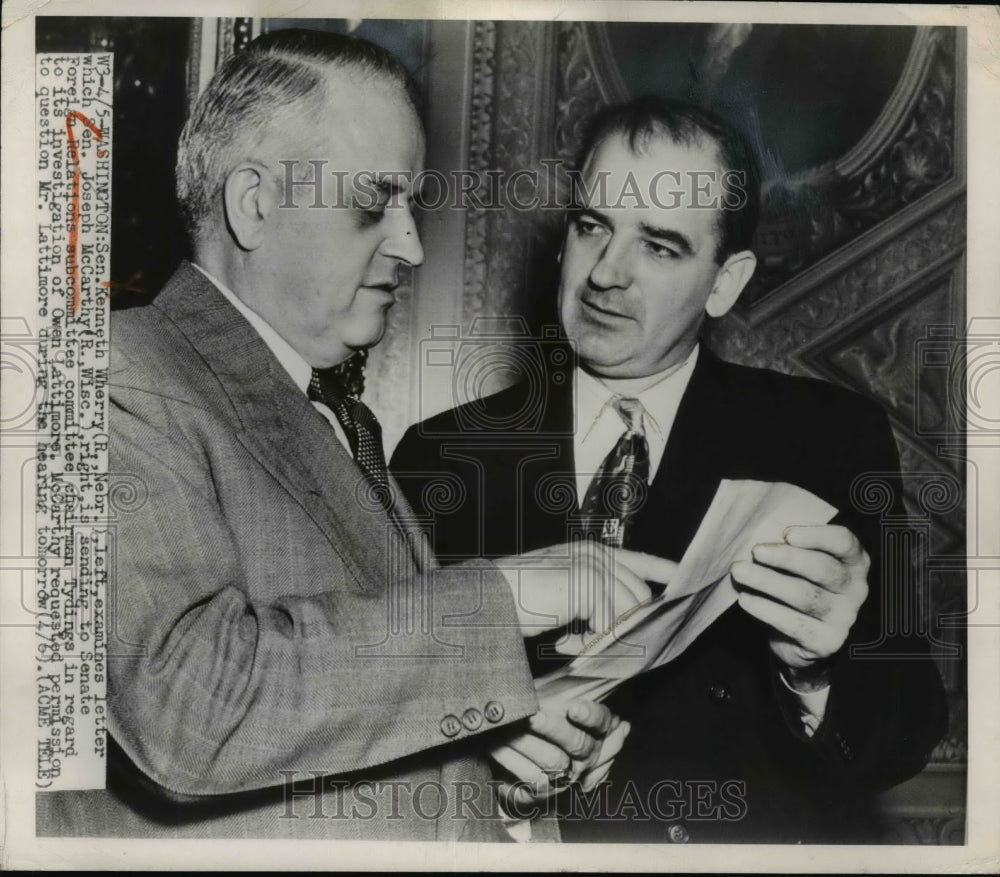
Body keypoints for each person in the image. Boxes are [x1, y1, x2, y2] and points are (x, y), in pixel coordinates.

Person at [35, 30, 676, 842]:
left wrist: (490, 755)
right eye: (375, 202)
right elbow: (187, 707)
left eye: (412, 207)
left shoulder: (339, 417)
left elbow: (326, 709)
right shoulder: (108, 373)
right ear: (254, 203)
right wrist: (504, 597)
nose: (409, 244)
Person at [390, 96, 949, 843]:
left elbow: (903, 735)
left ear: (725, 280)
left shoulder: (824, 441)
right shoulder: (438, 455)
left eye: (659, 246)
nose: (606, 275)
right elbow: (378, 713)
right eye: (592, 226)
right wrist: (473, 743)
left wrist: (817, 668)